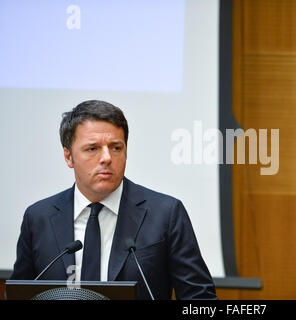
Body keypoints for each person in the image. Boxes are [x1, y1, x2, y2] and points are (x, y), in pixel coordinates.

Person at [10, 100, 217, 300]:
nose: (107, 158)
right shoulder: (38, 218)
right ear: (68, 156)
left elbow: (199, 298)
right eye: (93, 148)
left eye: (116, 147)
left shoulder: (165, 214)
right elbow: (18, 294)